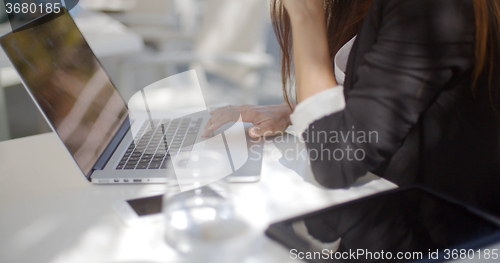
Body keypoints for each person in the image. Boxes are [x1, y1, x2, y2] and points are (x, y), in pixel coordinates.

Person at [203, 0, 500, 217]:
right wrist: (295, 109)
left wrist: (306, 13)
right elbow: (397, 93)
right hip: (388, 213)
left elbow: (336, 160)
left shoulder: (425, 9)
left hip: (434, 237)